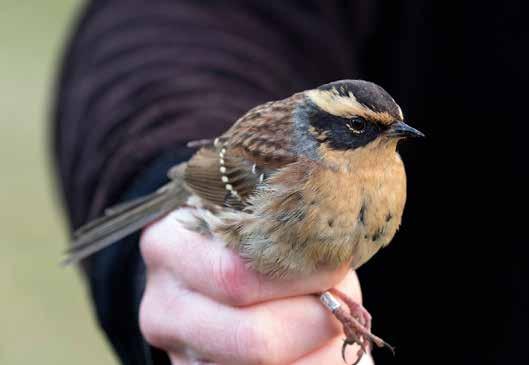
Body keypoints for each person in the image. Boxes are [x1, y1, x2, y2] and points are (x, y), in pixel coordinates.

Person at [53, 1, 525, 364]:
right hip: (208, 180)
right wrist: (148, 181)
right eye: (364, 127)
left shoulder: (387, 169)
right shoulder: (292, 173)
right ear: (324, 129)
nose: (392, 137)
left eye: (394, 128)